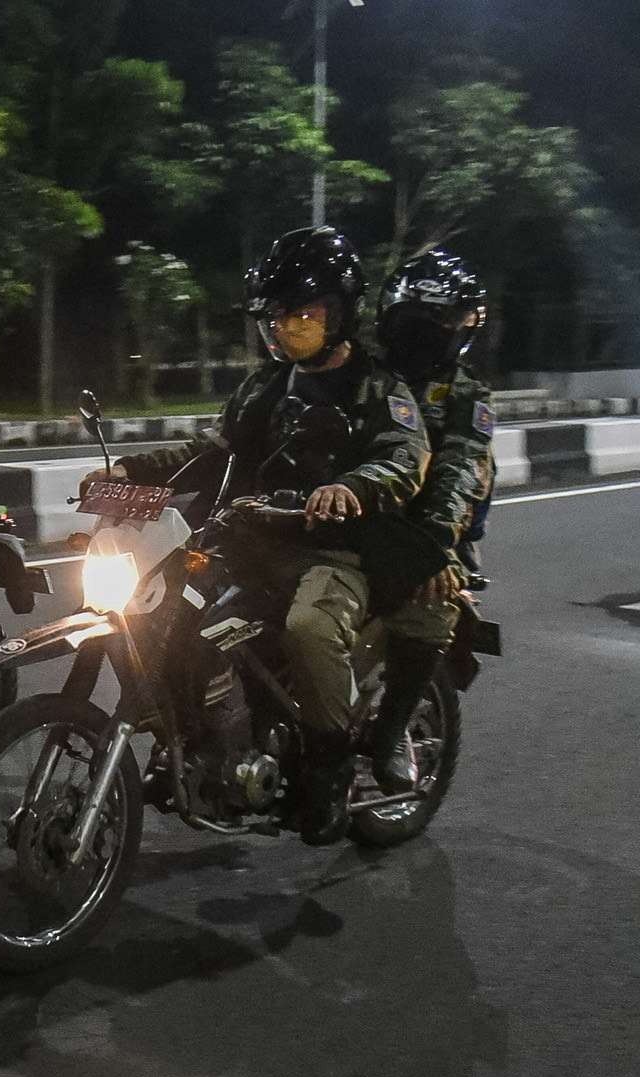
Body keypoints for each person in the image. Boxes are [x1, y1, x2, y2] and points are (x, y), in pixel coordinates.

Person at [82, 226, 429, 844]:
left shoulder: (379, 388)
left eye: (303, 314)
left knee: (310, 628)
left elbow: (405, 457)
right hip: (247, 543)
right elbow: (208, 452)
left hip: (335, 550)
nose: (286, 328)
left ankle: (329, 761)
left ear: (341, 313)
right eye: (277, 317)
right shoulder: (265, 386)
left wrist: (353, 486)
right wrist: (130, 470)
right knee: (160, 618)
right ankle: (198, 739)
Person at [365, 248, 496, 793]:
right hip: (362, 522)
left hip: (435, 537)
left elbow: (461, 473)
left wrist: (433, 544)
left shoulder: (466, 394)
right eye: (411, 322)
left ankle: (391, 729)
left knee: (428, 603)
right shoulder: (363, 376)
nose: (422, 336)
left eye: (436, 324)